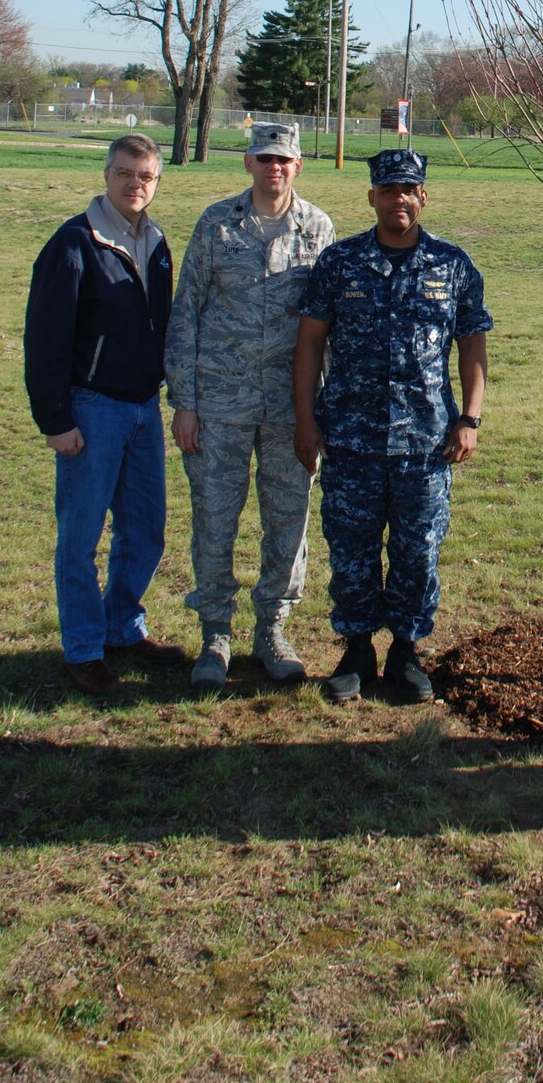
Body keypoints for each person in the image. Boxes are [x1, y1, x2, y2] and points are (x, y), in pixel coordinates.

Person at [293, 148, 491, 704]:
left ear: (423, 196)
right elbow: (309, 343)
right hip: (350, 439)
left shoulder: (452, 266)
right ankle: (356, 650)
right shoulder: (340, 263)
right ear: (372, 197)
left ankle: (406, 651)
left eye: (409, 190)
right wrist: (305, 421)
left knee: (417, 551)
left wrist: (469, 419)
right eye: (388, 190)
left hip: (425, 443)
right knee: (351, 548)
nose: (398, 199)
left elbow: (472, 347)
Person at [166, 122, 336, 690]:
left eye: (284, 160)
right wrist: (185, 403)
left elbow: (328, 326)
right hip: (219, 403)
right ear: (247, 163)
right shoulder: (216, 224)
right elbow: (185, 312)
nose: (274, 168)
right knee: (215, 521)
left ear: (297, 166)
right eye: (264, 158)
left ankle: (273, 629)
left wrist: (321, 410)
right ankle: (215, 633)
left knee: (287, 522)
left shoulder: (318, 228)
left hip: (292, 408)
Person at [23, 133, 183, 694]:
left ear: (157, 181)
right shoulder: (74, 244)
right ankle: (85, 648)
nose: (135, 184)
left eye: (146, 176)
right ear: (106, 174)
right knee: (81, 535)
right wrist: (56, 420)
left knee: (145, 531)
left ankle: (122, 624)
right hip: (91, 410)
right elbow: (44, 339)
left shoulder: (157, 243)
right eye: (125, 173)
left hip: (143, 407)